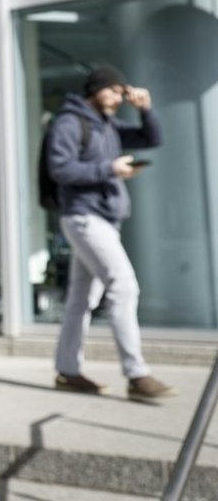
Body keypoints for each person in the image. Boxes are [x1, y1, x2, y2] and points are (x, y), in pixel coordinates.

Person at [46, 66, 176, 401]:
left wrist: (145, 108)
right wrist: (109, 168)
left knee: (81, 299)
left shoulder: (108, 125)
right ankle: (137, 374)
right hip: (84, 217)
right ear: (97, 89)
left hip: (102, 219)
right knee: (124, 286)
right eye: (115, 91)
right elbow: (59, 168)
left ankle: (68, 372)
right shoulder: (70, 122)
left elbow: (153, 139)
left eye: (122, 92)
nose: (119, 97)